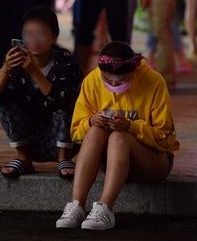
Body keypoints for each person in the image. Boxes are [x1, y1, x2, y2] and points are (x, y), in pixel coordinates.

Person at [56, 42, 178, 231]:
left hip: (152, 161)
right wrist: (90, 122)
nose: (113, 85)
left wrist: (131, 126)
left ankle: (105, 208)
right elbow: (76, 133)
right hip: (109, 161)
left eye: (121, 81)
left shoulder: (154, 81)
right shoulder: (92, 80)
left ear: (134, 71)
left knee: (119, 137)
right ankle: (76, 205)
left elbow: (166, 138)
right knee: (95, 130)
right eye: (107, 80)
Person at [0, 6, 82, 179]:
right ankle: (23, 157)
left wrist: (34, 71)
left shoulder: (65, 62)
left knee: (68, 98)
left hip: (61, 139)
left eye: (41, 34)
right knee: (4, 97)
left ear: (54, 37)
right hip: (29, 138)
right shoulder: (15, 60)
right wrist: (6, 69)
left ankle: (64, 157)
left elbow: (59, 102)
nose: (34, 40)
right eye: (28, 35)